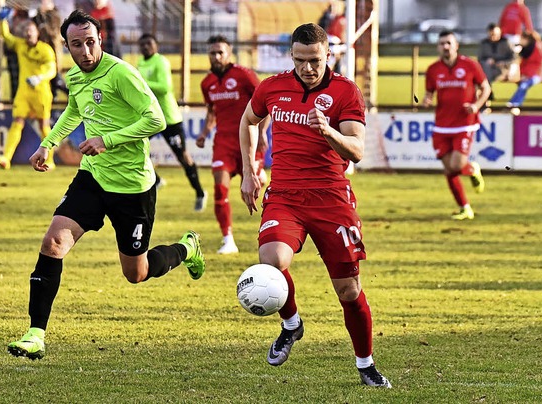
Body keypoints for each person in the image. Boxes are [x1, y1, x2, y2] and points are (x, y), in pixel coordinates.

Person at [6, 9, 205, 360]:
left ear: (101, 40)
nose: (84, 51)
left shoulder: (121, 74)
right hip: (93, 177)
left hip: (132, 188)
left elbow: (155, 118)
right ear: (66, 45)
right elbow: (74, 110)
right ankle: (35, 333)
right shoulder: (75, 75)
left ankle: (186, 249)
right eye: (76, 45)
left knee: (137, 272)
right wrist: (47, 143)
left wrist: (107, 140)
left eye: (90, 43)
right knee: (53, 241)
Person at [239, 23, 391, 388]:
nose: (308, 68)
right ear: (291, 56)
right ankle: (291, 324)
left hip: (331, 198)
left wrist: (328, 131)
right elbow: (248, 120)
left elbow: (356, 149)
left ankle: (365, 363)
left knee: (348, 292)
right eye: (300, 60)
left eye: (315, 60)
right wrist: (249, 171)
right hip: (286, 196)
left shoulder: (345, 92)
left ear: (329, 55)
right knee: (271, 261)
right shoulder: (272, 87)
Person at [196, 35, 269, 255]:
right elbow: (212, 112)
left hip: (248, 140)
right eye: (212, 52)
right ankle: (228, 239)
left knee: (253, 189)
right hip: (223, 142)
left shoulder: (244, 75)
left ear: (229, 54)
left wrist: (263, 131)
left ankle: (259, 173)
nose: (216, 56)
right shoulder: (206, 83)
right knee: (220, 188)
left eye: (220, 52)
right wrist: (204, 133)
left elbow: (264, 102)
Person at [422, 30, 490, 220]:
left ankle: (472, 169)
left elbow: (486, 87)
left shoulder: (470, 65)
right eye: (442, 43)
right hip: (441, 125)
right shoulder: (433, 69)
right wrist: (427, 100)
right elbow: (429, 92)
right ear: (438, 47)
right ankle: (465, 208)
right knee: (449, 170)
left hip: (464, 124)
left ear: (456, 46)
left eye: (449, 43)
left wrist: (476, 106)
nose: (445, 46)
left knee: (457, 164)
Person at [137, 33, 207, 212]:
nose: (145, 47)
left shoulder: (161, 62)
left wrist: (142, 82)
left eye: (149, 43)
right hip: (150, 117)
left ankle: (200, 192)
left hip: (168, 119)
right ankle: (157, 180)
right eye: (142, 44)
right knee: (134, 148)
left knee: (183, 156)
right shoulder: (140, 64)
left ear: (156, 46)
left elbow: (165, 87)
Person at [0, 7, 57, 170]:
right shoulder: (20, 45)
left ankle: (49, 160)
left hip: (41, 92)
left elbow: (52, 69)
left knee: (44, 125)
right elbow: (6, 37)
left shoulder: (45, 50)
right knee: (17, 122)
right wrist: (2, 21)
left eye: (31, 30)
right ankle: (6, 159)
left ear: (37, 33)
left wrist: (39, 77)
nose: (28, 33)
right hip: (23, 92)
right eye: (26, 31)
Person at [506, 30, 542, 110]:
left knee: (523, 86)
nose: (520, 41)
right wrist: (521, 75)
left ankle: (512, 104)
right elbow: (522, 64)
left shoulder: (537, 48)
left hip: (536, 75)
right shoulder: (525, 50)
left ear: (527, 39)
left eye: (522, 39)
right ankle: (516, 105)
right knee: (523, 86)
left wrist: (527, 75)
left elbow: (540, 64)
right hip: (526, 75)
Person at [477, 23, 514, 106]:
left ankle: (487, 93)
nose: (493, 36)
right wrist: (488, 61)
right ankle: (487, 93)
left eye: (495, 34)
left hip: (502, 69)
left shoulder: (505, 42)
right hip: (488, 69)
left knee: (484, 75)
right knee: (485, 67)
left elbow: (513, 58)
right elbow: (480, 59)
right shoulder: (484, 43)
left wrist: (501, 62)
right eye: (491, 34)